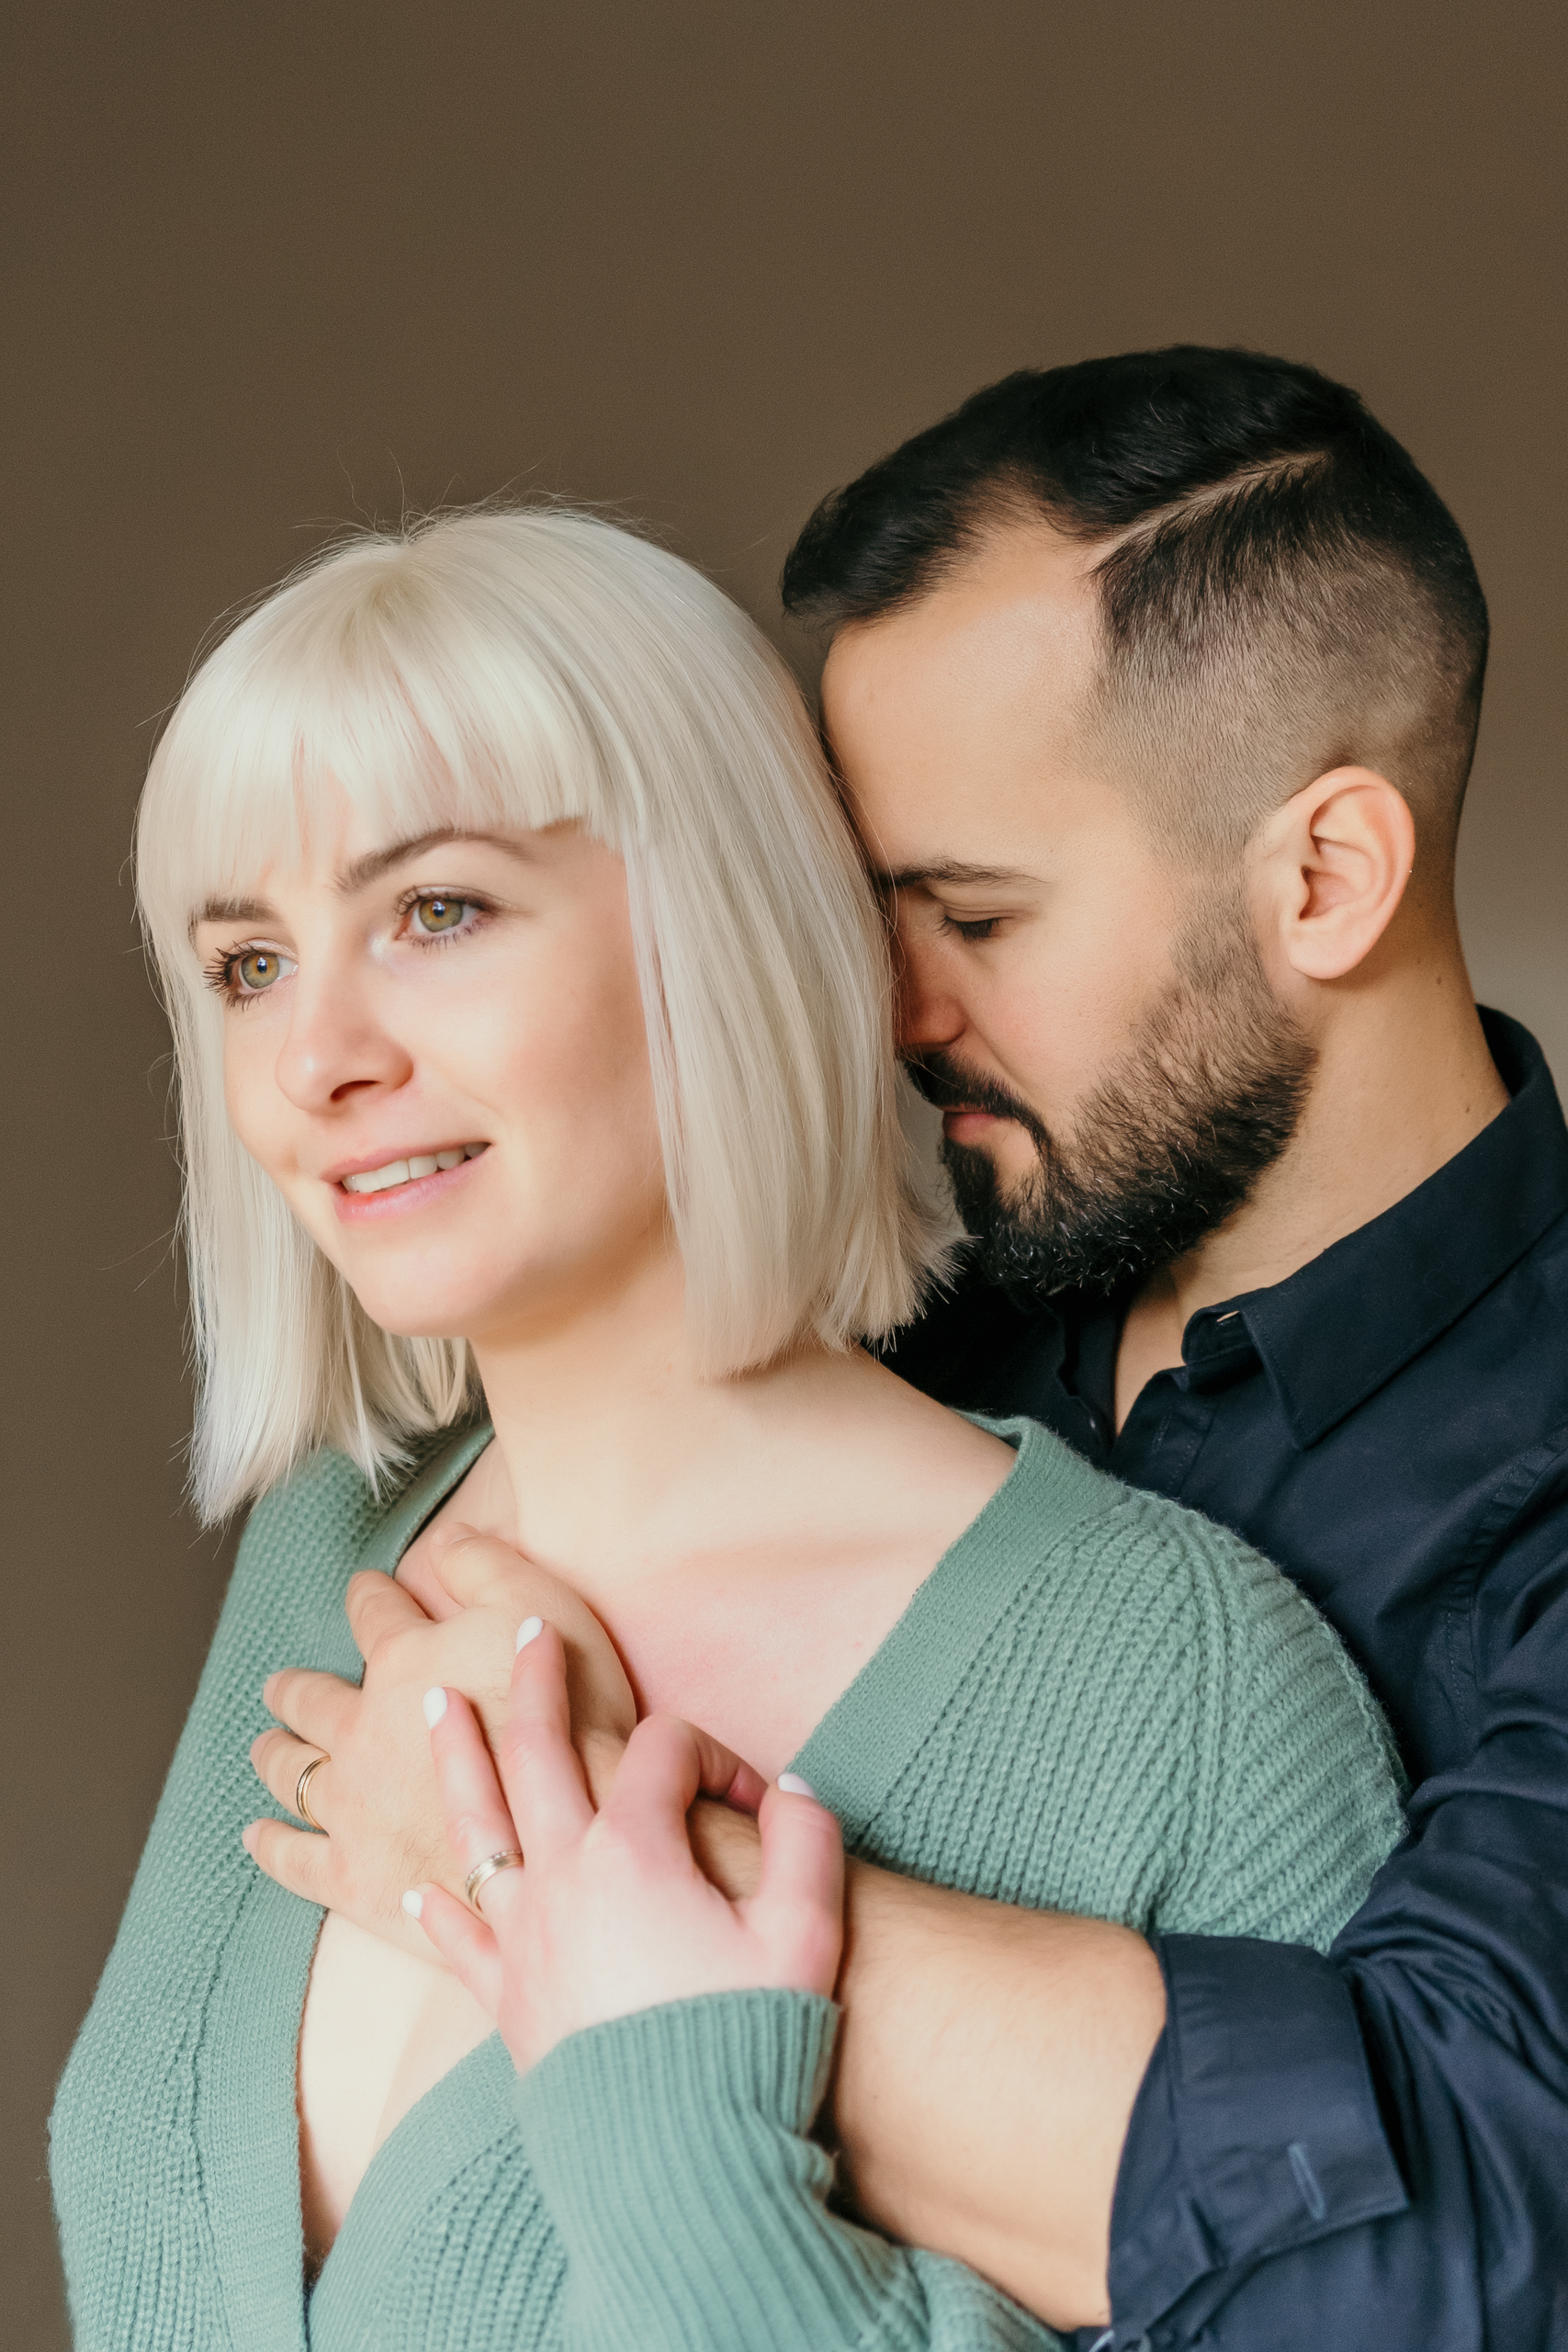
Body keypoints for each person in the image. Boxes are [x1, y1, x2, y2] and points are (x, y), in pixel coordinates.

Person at [253, 350, 1568, 2350]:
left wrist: (576, 1850)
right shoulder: (880, 1344)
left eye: (969, 911)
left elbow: (1467, 2244)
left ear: (1322, 877)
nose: (882, 1005)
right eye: (865, 907)